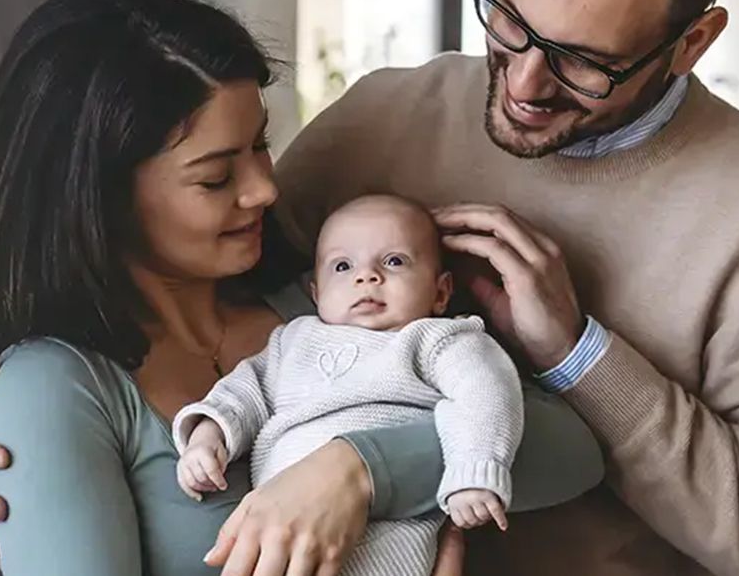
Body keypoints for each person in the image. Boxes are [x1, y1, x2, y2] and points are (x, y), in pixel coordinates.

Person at [0, 0, 739, 573]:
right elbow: (133, 294)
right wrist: (6, 416)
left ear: (693, 40)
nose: (526, 82)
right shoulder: (385, 119)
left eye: (584, 63)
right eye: (510, 18)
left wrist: (574, 356)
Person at [0, 0, 603, 576]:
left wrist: (354, 471)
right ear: (100, 196)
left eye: (261, 143)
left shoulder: (315, 301)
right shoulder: (53, 389)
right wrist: (426, 455)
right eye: (216, 176)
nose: (262, 189)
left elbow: (569, 447)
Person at [175, 195, 524, 575]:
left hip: (389, 537)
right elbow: (244, 392)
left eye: (394, 261)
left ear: (440, 292)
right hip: (282, 538)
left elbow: (486, 392)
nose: (367, 276)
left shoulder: (437, 339)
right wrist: (207, 437)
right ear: (317, 293)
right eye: (343, 266)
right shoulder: (292, 342)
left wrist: (475, 470)